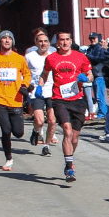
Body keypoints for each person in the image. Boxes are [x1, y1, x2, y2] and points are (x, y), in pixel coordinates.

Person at [38, 30, 93, 182]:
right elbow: (44, 73)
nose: (65, 42)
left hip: (77, 100)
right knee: (67, 132)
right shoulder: (51, 58)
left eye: (67, 39)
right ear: (57, 43)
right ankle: (69, 167)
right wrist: (39, 86)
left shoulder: (80, 57)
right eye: (62, 40)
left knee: (74, 138)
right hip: (59, 99)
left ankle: (70, 158)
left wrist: (85, 78)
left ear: (70, 41)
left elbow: (90, 74)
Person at [0, 30, 31, 171]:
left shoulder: (19, 58)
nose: (7, 40)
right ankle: (8, 158)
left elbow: (27, 74)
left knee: (18, 133)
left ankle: (10, 152)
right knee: (6, 130)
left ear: (12, 42)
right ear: (0, 41)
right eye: (4, 38)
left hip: (16, 100)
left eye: (9, 38)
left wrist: (24, 86)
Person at [25, 32, 56, 156]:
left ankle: (46, 146)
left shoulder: (54, 56)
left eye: (45, 41)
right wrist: (26, 85)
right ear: (36, 43)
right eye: (40, 41)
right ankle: (35, 130)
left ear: (49, 43)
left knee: (52, 121)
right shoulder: (30, 56)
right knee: (39, 120)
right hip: (36, 91)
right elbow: (23, 72)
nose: (43, 44)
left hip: (52, 91)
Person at [86, 32, 108, 119]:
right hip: (94, 74)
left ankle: (103, 113)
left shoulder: (100, 49)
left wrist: (88, 56)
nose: (92, 40)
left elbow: (100, 59)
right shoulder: (90, 49)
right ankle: (101, 112)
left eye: (94, 38)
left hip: (99, 74)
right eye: (90, 38)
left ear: (98, 38)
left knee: (100, 95)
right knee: (97, 94)